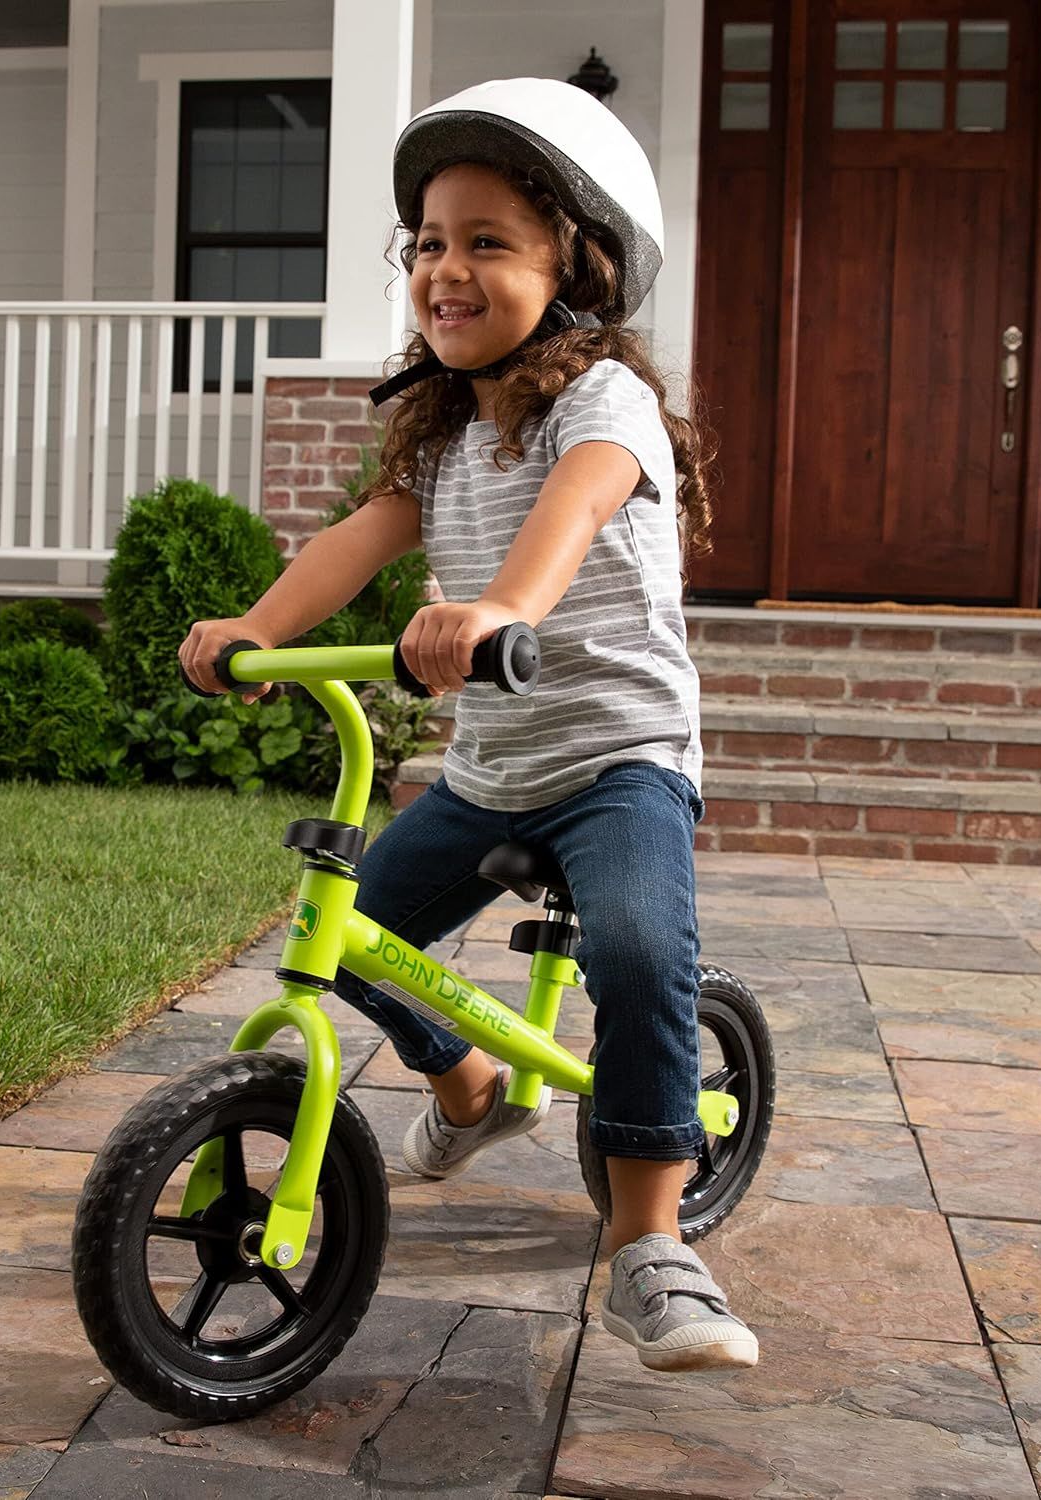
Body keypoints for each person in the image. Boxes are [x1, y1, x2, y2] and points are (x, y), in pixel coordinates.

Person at [179, 77, 757, 1373]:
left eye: (488, 242)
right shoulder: (439, 435)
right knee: (347, 938)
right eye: (430, 243)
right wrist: (252, 633)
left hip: (619, 761)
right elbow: (356, 539)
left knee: (637, 950)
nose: (447, 268)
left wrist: (499, 606)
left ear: (577, 267)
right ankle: (469, 1084)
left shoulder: (602, 402)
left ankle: (653, 1243)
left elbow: (578, 505)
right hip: (495, 767)